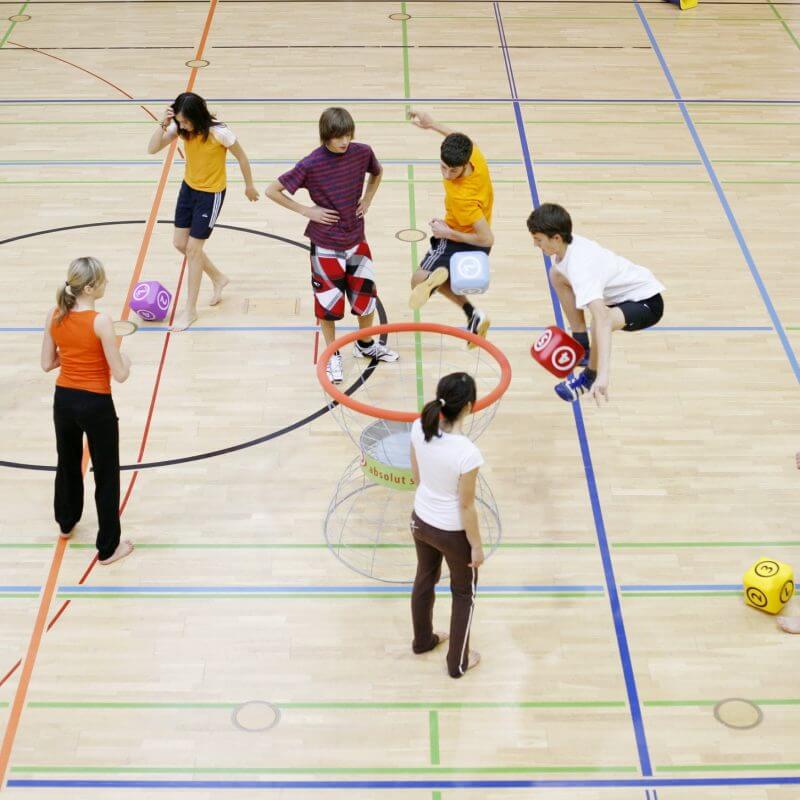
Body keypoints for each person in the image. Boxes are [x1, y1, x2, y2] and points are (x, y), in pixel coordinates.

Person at [265, 107, 397, 384]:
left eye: (348, 135)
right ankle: (332, 354)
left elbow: (377, 172)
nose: (345, 141)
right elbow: (272, 190)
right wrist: (306, 210)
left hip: (357, 241)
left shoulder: (362, 152)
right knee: (328, 305)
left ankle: (365, 345)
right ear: (326, 135)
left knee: (366, 298)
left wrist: (368, 199)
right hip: (325, 245)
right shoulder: (311, 164)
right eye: (339, 136)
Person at [40, 257, 134, 565]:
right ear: (91, 288)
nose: (107, 284)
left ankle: (66, 522)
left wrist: (72, 355)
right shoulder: (101, 321)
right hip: (96, 404)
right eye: (104, 280)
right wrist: (126, 359)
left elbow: (47, 363)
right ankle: (108, 548)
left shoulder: (54, 314)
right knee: (106, 474)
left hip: (64, 401)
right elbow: (120, 374)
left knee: (67, 462)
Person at [528, 203, 665, 404]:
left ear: (556, 238)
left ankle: (589, 377)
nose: (535, 245)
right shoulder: (566, 247)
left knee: (599, 321)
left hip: (646, 303)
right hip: (621, 297)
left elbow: (603, 320)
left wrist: (603, 375)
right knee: (556, 274)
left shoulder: (580, 268)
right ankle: (582, 346)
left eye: (538, 240)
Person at [147, 92, 259, 331]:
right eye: (179, 121)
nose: (182, 125)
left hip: (211, 195)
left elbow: (242, 158)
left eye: (186, 121)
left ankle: (190, 310)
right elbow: (152, 149)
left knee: (193, 249)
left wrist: (249, 186)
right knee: (180, 243)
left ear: (197, 116)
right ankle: (218, 278)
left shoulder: (220, 132)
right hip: (188, 189)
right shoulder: (181, 128)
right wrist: (163, 124)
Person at [409, 372, 484, 678]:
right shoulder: (467, 453)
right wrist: (476, 546)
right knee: (464, 594)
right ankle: (458, 663)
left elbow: (417, 477)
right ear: (468, 406)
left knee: (425, 577)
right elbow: (465, 506)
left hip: (420, 520)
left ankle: (423, 641)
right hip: (452, 533)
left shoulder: (419, 426)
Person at [407, 110, 493, 345]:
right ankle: (472, 315)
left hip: (464, 239)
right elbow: (457, 138)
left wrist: (448, 233)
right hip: (469, 234)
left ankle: (438, 279)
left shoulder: (463, 198)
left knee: (417, 282)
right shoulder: (474, 154)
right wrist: (432, 124)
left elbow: (487, 239)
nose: (447, 174)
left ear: (464, 164)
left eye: (453, 170)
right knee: (431, 280)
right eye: (443, 167)